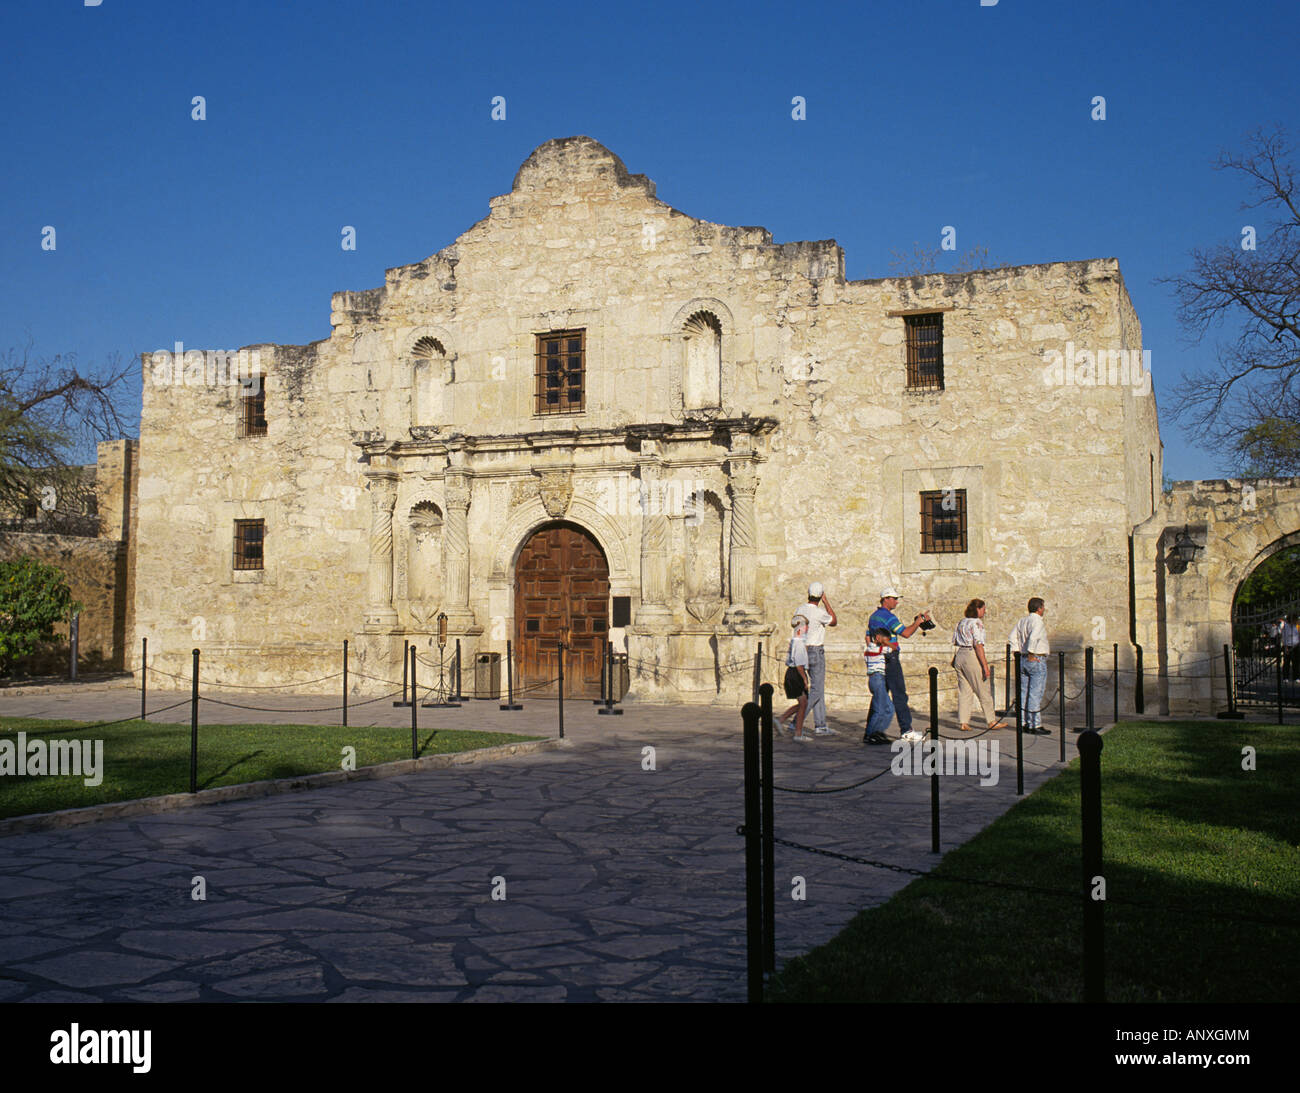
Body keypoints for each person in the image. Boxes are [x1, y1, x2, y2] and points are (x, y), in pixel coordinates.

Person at [863, 587, 930, 745]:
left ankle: (871, 731)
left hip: (880, 658)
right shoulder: (888, 617)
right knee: (899, 694)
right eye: (894, 598)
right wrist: (918, 622)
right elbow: (905, 633)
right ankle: (906, 730)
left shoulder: (874, 617)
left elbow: (868, 636)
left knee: (879, 697)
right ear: (885, 599)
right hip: (890, 658)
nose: (896, 602)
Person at [952, 599, 1006, 732]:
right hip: (971, 655)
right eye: (983, 609)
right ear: (978, 609)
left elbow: (955, 641)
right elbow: (978, 644)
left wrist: (955, 658)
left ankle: (963, 721)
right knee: (983, 689)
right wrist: (985, 666)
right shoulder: (976, 623)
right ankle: (991, 720)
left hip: (960, 654)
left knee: (965, 690)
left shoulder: (961, 622)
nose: (984, 612)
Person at [794, 581, 837, 736]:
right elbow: (834, 621)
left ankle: (821, 725)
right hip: (815, 650)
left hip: (801, 649)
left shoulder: (800, 609)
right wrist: (826, 602)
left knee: (817, 688)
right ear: (820, 596)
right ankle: (797, 721)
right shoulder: (819, 613)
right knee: (817, 689)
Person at [1009, 597, 1050, 734]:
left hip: (1023, 658)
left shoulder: (1022, 621)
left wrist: (1017, 651)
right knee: (1035, 693)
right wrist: (1031, 653)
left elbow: (1012, 637)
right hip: (1035, 658)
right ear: (1039, 608)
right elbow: (1033, 637)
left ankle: (1022, 722)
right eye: (1043, 607)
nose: (1043, 609)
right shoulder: (1037, 621)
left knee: (1023, 692)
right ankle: (1034, 724)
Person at [777, 620, 813, 741]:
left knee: (803, 703)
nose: (807, 630)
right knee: (803, 703)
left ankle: (781, 720)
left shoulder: (796, 641)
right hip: (796, 674)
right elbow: (799, 664)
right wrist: (804, 679)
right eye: (805, 628)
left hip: (794, 673)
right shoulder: (798, 643)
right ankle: (798, 733)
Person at [863, 627, 895, 744]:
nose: (885, 643)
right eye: (884, 640)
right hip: (876, 679)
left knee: (889, 708)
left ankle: (878, 732)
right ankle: (870, 734)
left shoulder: (873, 648)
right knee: (879, 709)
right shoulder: (873, 649)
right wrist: (886, 642)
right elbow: (893, 648)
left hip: (878, 679)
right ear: (878, 638)